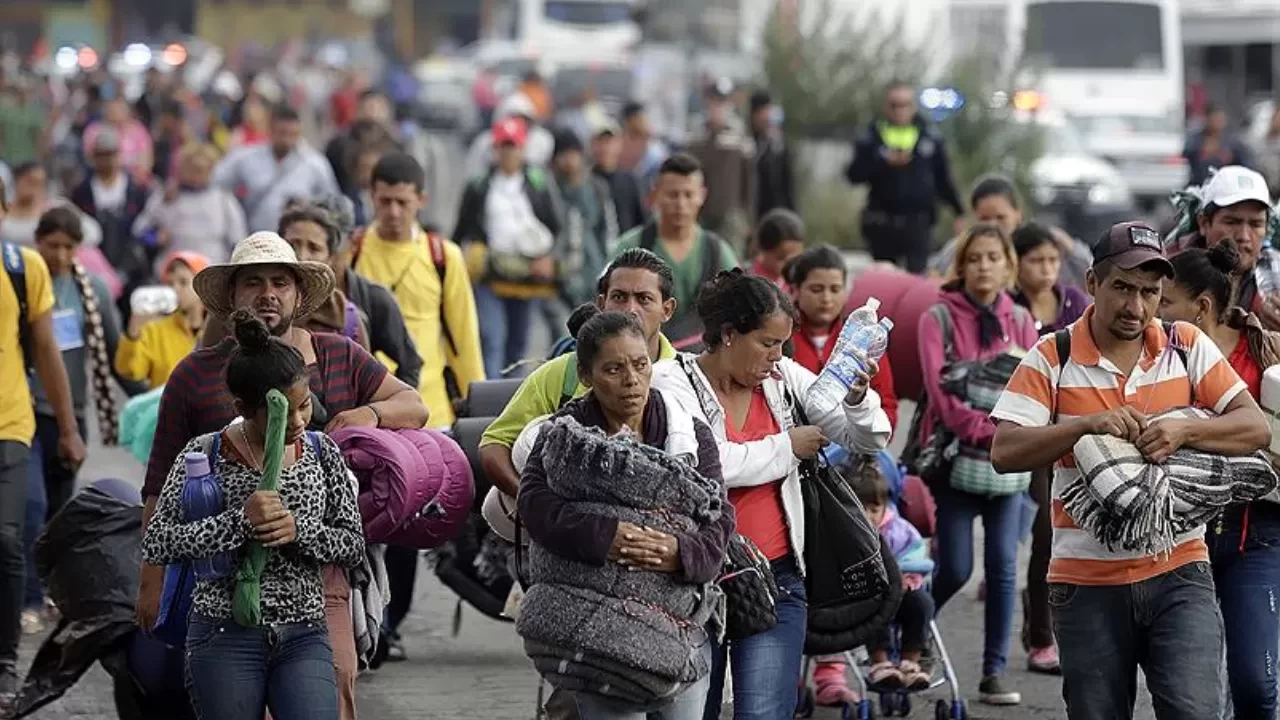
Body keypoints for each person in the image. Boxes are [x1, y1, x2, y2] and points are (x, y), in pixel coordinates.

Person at [135, 231, 428, 720]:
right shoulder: (197, 379)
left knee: (334, 689)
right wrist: (153, 584)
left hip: (315, 598)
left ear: (298, 294)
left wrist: (366, 415)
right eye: (253, 283)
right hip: (223, 608)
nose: (268, 294)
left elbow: (412, 408)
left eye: (280, 283)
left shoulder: (337, 360)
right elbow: (159, 488)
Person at [990, 221, 1272, 720]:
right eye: (1122, 287)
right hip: (1085, 582)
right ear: (1092, 283)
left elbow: (1254, 427)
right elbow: (1005, 451)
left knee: (1195, 711)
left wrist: (1183, 431)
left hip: (1179, 570)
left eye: (1149, 292)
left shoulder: (1186, 344)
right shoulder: (1052, 356)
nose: (1136, 307)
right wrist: (1084, 427)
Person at [649, 270, 892, 720]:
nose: (777, 356)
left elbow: (867, 439)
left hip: (777, 579)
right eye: (767, 343)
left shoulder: (782, 380)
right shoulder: (671, 381)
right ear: (728, 334)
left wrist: (858, 399)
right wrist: (787, 448)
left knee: (763, 713)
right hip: (695, 582)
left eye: (782, 344)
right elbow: (704, 466)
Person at [141, 309, 365, 720]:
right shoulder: (204, 454)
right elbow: (158, 542)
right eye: (283, 413)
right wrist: (239, 522)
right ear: (243, 408)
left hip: (304, 632)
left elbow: (353, 544)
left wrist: (299, 531)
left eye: (304, 406)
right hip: (223, 634)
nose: (298, 421)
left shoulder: (322, 451)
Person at [518, 311, 734, 720]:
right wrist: (607, 536)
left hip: (678, 627)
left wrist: (679, 552)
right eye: (614, 369)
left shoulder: (688, 433)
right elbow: (535, 506)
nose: (632, 380)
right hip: (598, 634)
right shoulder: (564, 435)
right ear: (586, 375)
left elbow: (718, 517)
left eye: (640, 364)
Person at [917, 222, 1038, 705]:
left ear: (1009, 265)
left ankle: (994, 672)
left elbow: (1032, 389)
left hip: (1008, 466)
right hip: (955, 462)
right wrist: (991, 433)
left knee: (1004, 568)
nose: (983, 266)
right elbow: (941, 396)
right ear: (961, 265)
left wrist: (1011, 438)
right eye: (974, 258)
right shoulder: (938, 318)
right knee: (956, 567)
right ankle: (913, 628)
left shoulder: (1021, 319)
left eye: (993, 257)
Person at [1161, 238, 1280, 717]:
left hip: (1258, 538)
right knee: (1194, 698)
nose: (1151, 311)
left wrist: (1195, 434)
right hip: (1180, 541)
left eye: (1164, 302)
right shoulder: (1154, 357)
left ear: (1202, 307)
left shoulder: (1265, 353)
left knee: (1256, 685)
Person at [0, 180, 86, 707]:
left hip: (11, 424)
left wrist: (70, 428)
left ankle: (5, 661)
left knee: (8, 537)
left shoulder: (22, 268)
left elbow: (48, 350)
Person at [1009, 221, 1089, 676]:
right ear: (1016, 264)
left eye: (1052, 260)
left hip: (1068, 431)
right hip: (1022, 433)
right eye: (1036, 260)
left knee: (1059, 535)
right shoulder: (1008, 307)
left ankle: (1046, 629)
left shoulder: (1075, 303)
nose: (1046, 269)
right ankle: (1040, 634)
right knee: (1038, 534)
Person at [356, 152, 484, 427]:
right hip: (368, 412)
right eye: (385, 201)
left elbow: (463, 339)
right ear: (372, 196)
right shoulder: (352, 252)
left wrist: (478, 409)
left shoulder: (444, 257)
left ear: (421, 201)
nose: (393, 212)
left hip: (432, 411)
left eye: (402, 202)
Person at [455, 118, 563, 379]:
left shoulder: (538, 183)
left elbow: (556, 226)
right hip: (490, 274)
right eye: (503, 146)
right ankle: (490, 395)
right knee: (491, 338)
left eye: (513, 146)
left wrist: (550, 258)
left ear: (523, 149)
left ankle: (514, 395)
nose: (508, 153)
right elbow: (462, 229)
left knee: (518, 344)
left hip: (526, 275)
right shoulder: (480, 186)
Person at [611, 154, 739, 351]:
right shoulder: (629, 246)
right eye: (672, 195)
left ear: (702, 195)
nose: (680, 204)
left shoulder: (718, 251)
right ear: (655, 195)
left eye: (688, 195)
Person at [304, 193, 422, 389]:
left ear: (353, 243)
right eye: (309, 246)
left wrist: (387, 403)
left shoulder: (375, 301)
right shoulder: (285, 298)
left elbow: (410, 365)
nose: (309, 257)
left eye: (333, 245)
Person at [847, 81, 964, 274]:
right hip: (882, 222)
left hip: (918, 222)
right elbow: (853, 175)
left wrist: (958, 211)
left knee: (917, 278)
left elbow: (943, 177)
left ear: (913, 106)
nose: (900, 111)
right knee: (884, 279)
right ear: (886, 106)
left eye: (905, 105)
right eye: (894, 105)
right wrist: (882, 162)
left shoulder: (930, 136)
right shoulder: (871, 136)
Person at [785, 244, 899, 430]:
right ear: (795, 290)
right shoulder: (782, 339)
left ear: (846, 292)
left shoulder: (864, 340)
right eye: (816, 289)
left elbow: (887, 409)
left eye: (835, 289)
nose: (826, 299)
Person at [848, 456, 934, 690]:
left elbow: (916, 556)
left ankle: (911, 661)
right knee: (875, 605)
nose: (868, 516)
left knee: (922, 604)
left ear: (885, 507)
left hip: (902, 588)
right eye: (860, 509)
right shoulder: (846, 534)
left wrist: (907, 578)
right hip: (865, 595)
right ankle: (880, 662)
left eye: (874, 510)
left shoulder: (900, 530)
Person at [1166, 166, 1280, 331]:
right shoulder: (1170, 272)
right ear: (1204, 223)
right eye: (1232, 222)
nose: (1244, 236)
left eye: (1255, 224)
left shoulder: (1274, 275)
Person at [931, 175, 1093, 289]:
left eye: (1000, 218)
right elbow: (933, 276)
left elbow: (1090, 274)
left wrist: (1068, 245)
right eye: (985, 219)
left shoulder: (1041, 246)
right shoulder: (962, 247)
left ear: (1018, 214)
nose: (993, 226)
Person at [214, 104, 339, 233]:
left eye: (293, 134)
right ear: (271, 130)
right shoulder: (247, 158)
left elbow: (333, 202)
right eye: (282, 133)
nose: (287, 140)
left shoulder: (314, 163)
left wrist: (309, 205)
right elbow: (216, 181)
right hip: (255, 234)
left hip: (296, 238)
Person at [133, 143, 247, 267]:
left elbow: (239, 241)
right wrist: (155, 237)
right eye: (192, 168)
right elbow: (139, 230)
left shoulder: (223, 200)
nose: (196, 174)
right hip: (175, 270)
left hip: (212, 269)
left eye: (201, 169)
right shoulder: (165, 197)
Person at [116, 251, 210, 389]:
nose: (175, 289)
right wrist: (133, 332)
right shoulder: (155, 329)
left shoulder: (219, 328)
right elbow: (129, 371)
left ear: (203, 286)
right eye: (170, 283)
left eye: (183, 282)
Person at [687, 80, 756, 252]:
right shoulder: (696, 134)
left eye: (722, 102)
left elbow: (749, 178)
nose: (717, 107)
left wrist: (748, 216)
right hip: (700, 212)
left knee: (730, 259)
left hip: (730, 214)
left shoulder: (739, 135)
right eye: (714, 102)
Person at [550, 128, 615, 308]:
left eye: (573, 153)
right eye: (563, 154)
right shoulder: (550, 189)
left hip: (594, 269)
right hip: (560, 275)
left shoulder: (597, 187)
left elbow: (607, 230)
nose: (569, 160)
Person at [0, 162, 103, 248]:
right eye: (30, 181)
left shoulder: (55, 207)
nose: (35, 187)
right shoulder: (3, 209)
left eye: (40, 183)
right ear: (16, 181)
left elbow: (93, 232)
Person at [590, 118, 647, 235]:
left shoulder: (630, 181)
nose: (605, 148)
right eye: (600, 142)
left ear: (619, 144)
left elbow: (642, 220)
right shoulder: (585, 182)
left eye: (609, 142)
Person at [82, 96, 154, 183]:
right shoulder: (94, 130)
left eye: (120, 109)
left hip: (135, 182)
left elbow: (146, 160)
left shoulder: (138, 130)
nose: (116, 112)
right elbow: (90, 159)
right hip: (102, 181)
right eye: (113, 109)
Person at [748, 90, 795, 219]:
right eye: (762, 112)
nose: (766, 117)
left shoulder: (777, 145)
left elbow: (787, 183)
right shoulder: (746, 143)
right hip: (753, 212)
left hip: (776, 212)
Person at [1184, 107, 1253, 187]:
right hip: (1199, 185)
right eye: (1214, 119)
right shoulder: (1197, 139)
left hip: (1226, 185)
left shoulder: (1232, 142)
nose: (1217, 123)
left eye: (1220, 119)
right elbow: (1186, 155)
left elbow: (1246, 164)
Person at [749, 208, 805, 293]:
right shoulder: (751, 282)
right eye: (781, 258)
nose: (790, 265)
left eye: (796, 259)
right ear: (763, 251)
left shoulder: (796, 282)